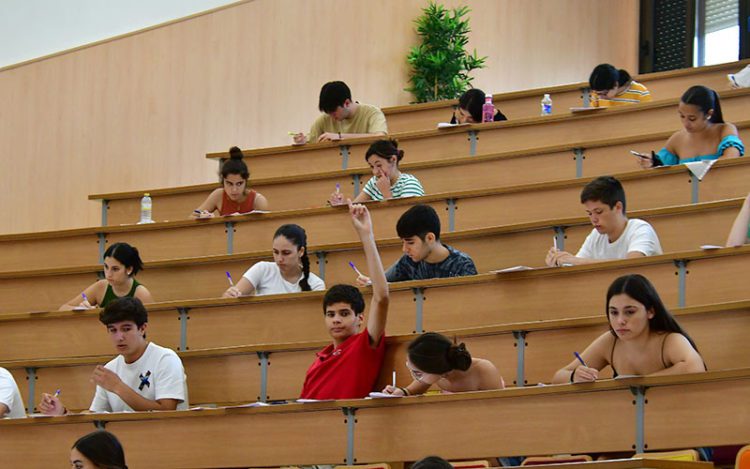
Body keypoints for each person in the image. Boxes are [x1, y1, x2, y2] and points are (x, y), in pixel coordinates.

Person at [299, 201, 389, 399]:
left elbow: (381, 297)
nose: (336, 319)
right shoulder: (318, 361)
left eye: (344, 313)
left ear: (360, 318)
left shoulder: (364, 345)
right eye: (330, 314)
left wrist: (366, 235)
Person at [40, 297, 188, 414]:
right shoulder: (110, 369)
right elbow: (95, 417)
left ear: (142, 328)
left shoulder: (165, 359)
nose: (119, 337)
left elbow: (168, 412)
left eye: (126, 329)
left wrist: (118, 386)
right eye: (113, 330)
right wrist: (63, 412)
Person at [551, 274, 705, 384]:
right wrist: (574, 376)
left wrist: (640, 384)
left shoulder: (670, 340)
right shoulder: (610, 341)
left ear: (650, 311)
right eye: (613, 312)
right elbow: (559, 376)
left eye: (629, 312)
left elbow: (695, 367)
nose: (620, 321)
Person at [545, 176, 662, 267]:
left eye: (599, 212)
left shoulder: (640, 229)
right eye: (590, 213)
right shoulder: (595, 236)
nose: (594, 219)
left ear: (617, 207)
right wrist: (558, 261)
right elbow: (577, 264)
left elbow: (631, 265)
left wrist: (575, 261)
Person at [356, 204, 477, 286]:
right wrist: (370, 282)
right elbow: (382, 283)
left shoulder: (463, 265)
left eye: (410, 242)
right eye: (403, 242)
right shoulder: (407, 262)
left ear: (430, 238)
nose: (404, 249)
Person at [637, 85, 744, 168]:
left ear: (709, 114)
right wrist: (650, 161)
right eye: (682, 116)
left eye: (692, 118)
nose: (686, 123)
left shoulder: (724, 130)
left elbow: (731, 158)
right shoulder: (677, 138)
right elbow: (661, 167)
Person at [381, 332, 504, 396]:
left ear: (436, 368)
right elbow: (413, 389)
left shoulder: (484, 371)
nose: (418, 378)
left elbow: (502, 408)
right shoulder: (438, 374)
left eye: (418, 373)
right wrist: (402, 391)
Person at [223, 224, 325, 297]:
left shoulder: (316, 284)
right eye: (275, 252)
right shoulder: (262, 269)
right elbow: (229, 301)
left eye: (286, 253)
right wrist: (229, 295)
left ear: (301, 251)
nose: (279, 259)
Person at [60, 242, 153, 310]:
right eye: (106, 267)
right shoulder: (100, 286)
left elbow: (152, 327)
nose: (108, 274)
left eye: (115, 269)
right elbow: (63, 308)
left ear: (129, 269)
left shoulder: (142, 294)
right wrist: (80, 309)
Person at [329, 139, 424, 205]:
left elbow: (405, 222)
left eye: (379, 165)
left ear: (393, 159)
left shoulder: (409, 183)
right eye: (371, 166)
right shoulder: (373, 182)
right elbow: (355, 206)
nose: (375, 172)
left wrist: (386, 193)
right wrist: (340, 204)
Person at [292, 81, 388, 144]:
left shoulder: (372, 113)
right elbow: (310, 141)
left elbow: (380, 137)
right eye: (328, 113)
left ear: (346, 103)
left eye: (334, 113)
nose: (332, 117)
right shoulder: (325, 119)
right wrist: (302, 141)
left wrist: (339, 137)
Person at [191, 146, 268, 218]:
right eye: (229, 184)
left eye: (239, 184)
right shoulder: (218, 195)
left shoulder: (258, 201)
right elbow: (192, 217)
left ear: (246, 181)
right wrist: (202, 217)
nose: (234, 189)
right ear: (223, 181)